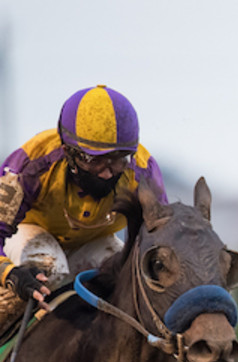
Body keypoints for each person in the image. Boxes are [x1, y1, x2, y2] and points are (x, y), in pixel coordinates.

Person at [0, 85, 167, 328]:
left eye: (119, 159)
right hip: (28, 232)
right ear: (68, 152)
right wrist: (9, 273)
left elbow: (162, 239)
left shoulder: (143, 172)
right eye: (95, 160)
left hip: (94, 243)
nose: (108, 172)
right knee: (50, 266)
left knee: (131, 279)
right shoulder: (31, 163)